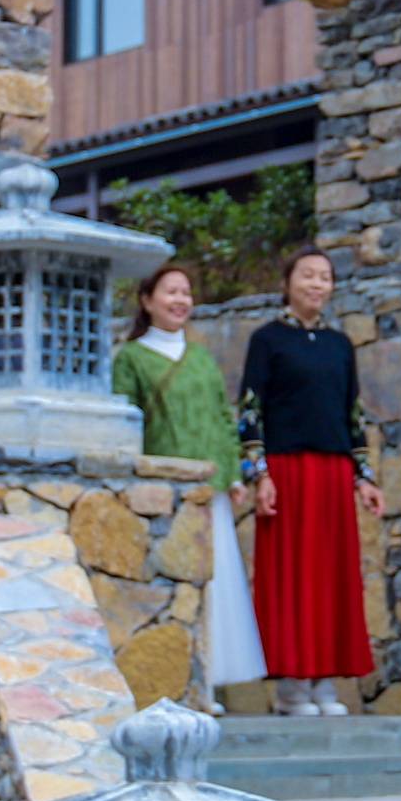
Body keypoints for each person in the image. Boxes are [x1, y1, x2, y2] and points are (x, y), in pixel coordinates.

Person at [109, 261, 265, 699]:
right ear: (147, 300)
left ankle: (208, 684)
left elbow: (221, 418)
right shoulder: (132, 359)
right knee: (172, 584)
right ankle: (175, 684)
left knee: (215, 584)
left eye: (185, 293)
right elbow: (125, 420)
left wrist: (233, 473)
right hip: (163, 492)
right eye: (170, 292)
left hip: (209, 489)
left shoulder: (200, 357)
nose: (180, 300)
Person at [235, 247, 382, 712]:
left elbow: (353, 413)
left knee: (331, 578)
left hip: (334, 474)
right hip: (287, 473)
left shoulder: (341, 345)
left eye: (325, 277)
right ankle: (291, 686)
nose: (317, 284)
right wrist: (259, 473)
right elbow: (250, 410)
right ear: (287, 283)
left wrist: (364, 476)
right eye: (308, 275)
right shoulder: (267, 340)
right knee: (290, 576)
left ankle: (324, 682)